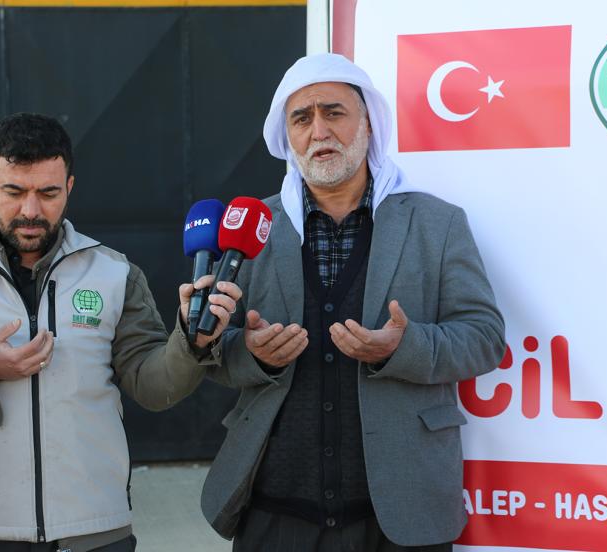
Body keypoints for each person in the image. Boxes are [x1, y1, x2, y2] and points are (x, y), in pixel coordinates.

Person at [0, 112, 240, 551]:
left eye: (48, 193)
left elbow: (154, 387)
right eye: (14, 192)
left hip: (94, 532)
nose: (31, 211)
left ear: (69, 187)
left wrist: (192, 341)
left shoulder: (114, 272)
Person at [200, 53, 506, 551]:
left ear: (369, 124)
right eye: (302, 118)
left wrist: (403, 347)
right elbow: (211, 351)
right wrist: (253, 355)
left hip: (403, 513)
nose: (319, 131)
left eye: (334, 112)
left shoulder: (437, 224)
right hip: (275, 510)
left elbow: (485, 339)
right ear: (288, 137)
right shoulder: (253, 228)